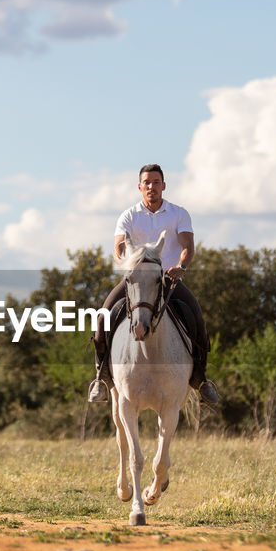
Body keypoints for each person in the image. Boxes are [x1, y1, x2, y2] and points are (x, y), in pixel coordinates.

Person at [88, 163, 221, 405]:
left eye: (156, 182)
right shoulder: (129, 216)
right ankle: (101, 377)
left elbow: (187, 247)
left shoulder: (178, 214)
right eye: (147, 183)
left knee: (197, 316)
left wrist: (181, 267)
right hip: (136, 281)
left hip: (168, 280)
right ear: (140, 187)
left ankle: (200, 379)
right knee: (103, 317)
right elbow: (118, 249)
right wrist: (125, 264)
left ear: (163, 186)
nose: (151, 187)